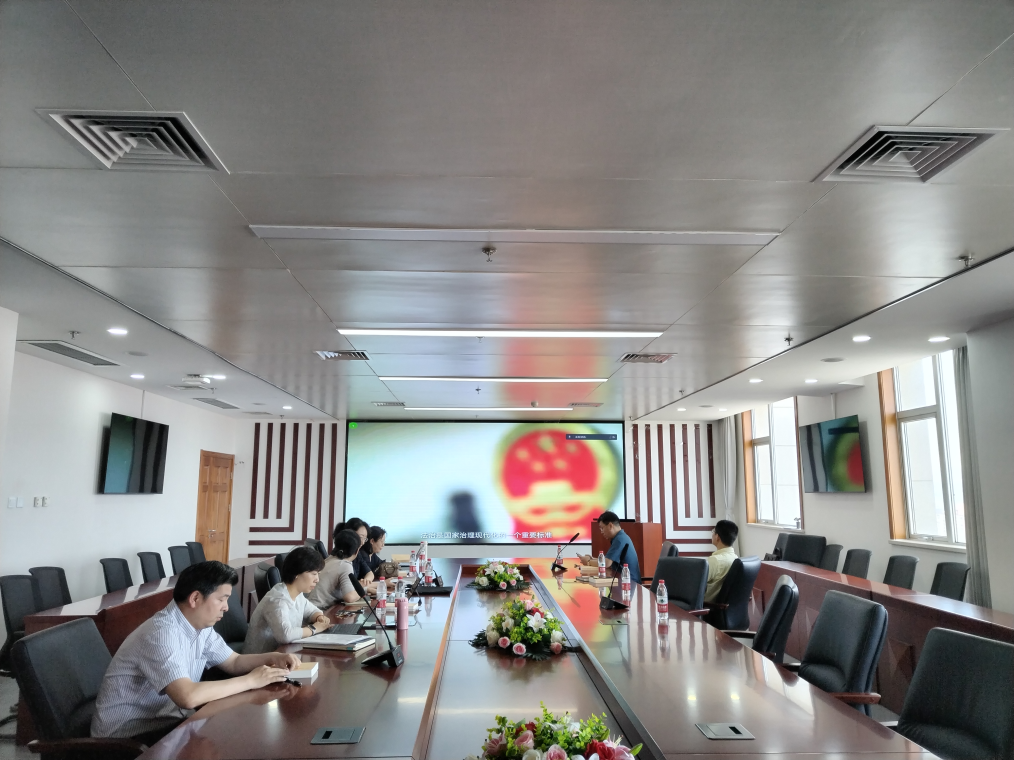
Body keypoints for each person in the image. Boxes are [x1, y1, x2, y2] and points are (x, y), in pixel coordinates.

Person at [92, 561, 300, 743]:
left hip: (166, 720)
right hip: (126, 737)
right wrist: (251, 680)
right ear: (195, 598)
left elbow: (234, 662)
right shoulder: (160, 633)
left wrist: (273, 657)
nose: (226, 607)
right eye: (222, 599)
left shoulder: (200, 628)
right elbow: (187, 696)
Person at [242, 547, 331, 654]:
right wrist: (314, 628)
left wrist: (319, 617)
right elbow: (285, 635)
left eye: (318, 574)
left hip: (282, 655)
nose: (317, 580)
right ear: (297, 573)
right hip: (260, 659)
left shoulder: (297, 594)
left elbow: (311, 611)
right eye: (314, 574)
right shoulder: (278, 599)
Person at [578, 511, 640, 584]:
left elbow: (607, 563)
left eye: (602, 528)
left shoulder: (619, 539)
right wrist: (592, 559)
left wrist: (588, 562)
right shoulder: (620, 537)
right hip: (623, 580)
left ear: (610, 526)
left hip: (629, 583)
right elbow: (609, 560)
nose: (601, 531)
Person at [306, 528, 362, 607]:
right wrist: (363, 591)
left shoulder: (330, 559)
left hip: (311, 608)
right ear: (357, 550)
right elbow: (349, 597)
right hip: (321, 611)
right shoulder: (345, 565)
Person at [704, 519, 739, 603]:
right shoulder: (735, 558)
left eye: (713, 531)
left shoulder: (715, 561)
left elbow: (696, 583)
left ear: (717, 537)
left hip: (705, 604)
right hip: (723, 606)